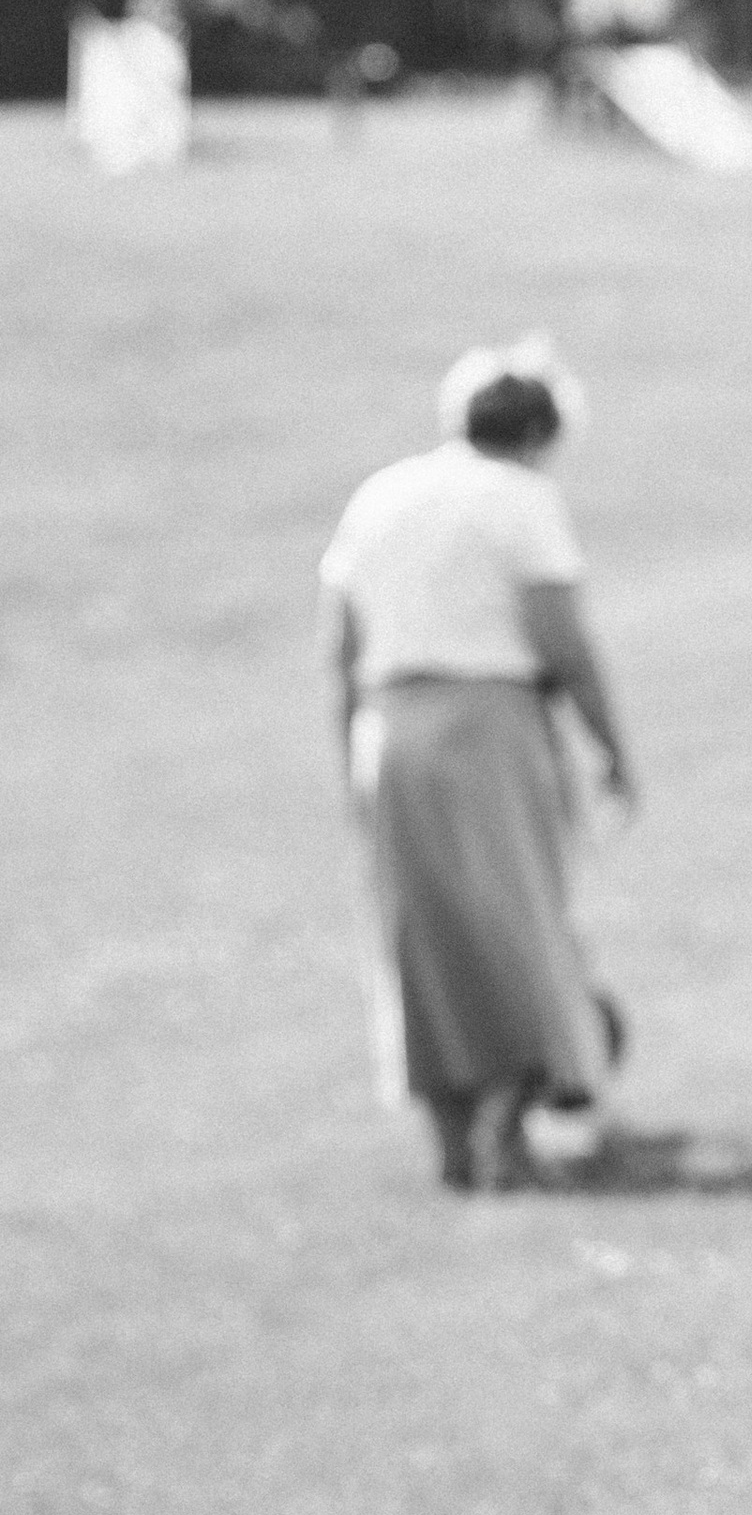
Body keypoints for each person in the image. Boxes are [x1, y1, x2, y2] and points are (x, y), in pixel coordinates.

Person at [321, 339, 635, 1192]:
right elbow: (562, 640)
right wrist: (610, 747)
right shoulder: (521, 499)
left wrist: (350, 753)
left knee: (419, 935)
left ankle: (453, 1139)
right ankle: (514, 1113)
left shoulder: (382, 494)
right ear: (538, 433)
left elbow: (339, 645)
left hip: (389, 728)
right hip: (488, 725)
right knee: (517, 921)